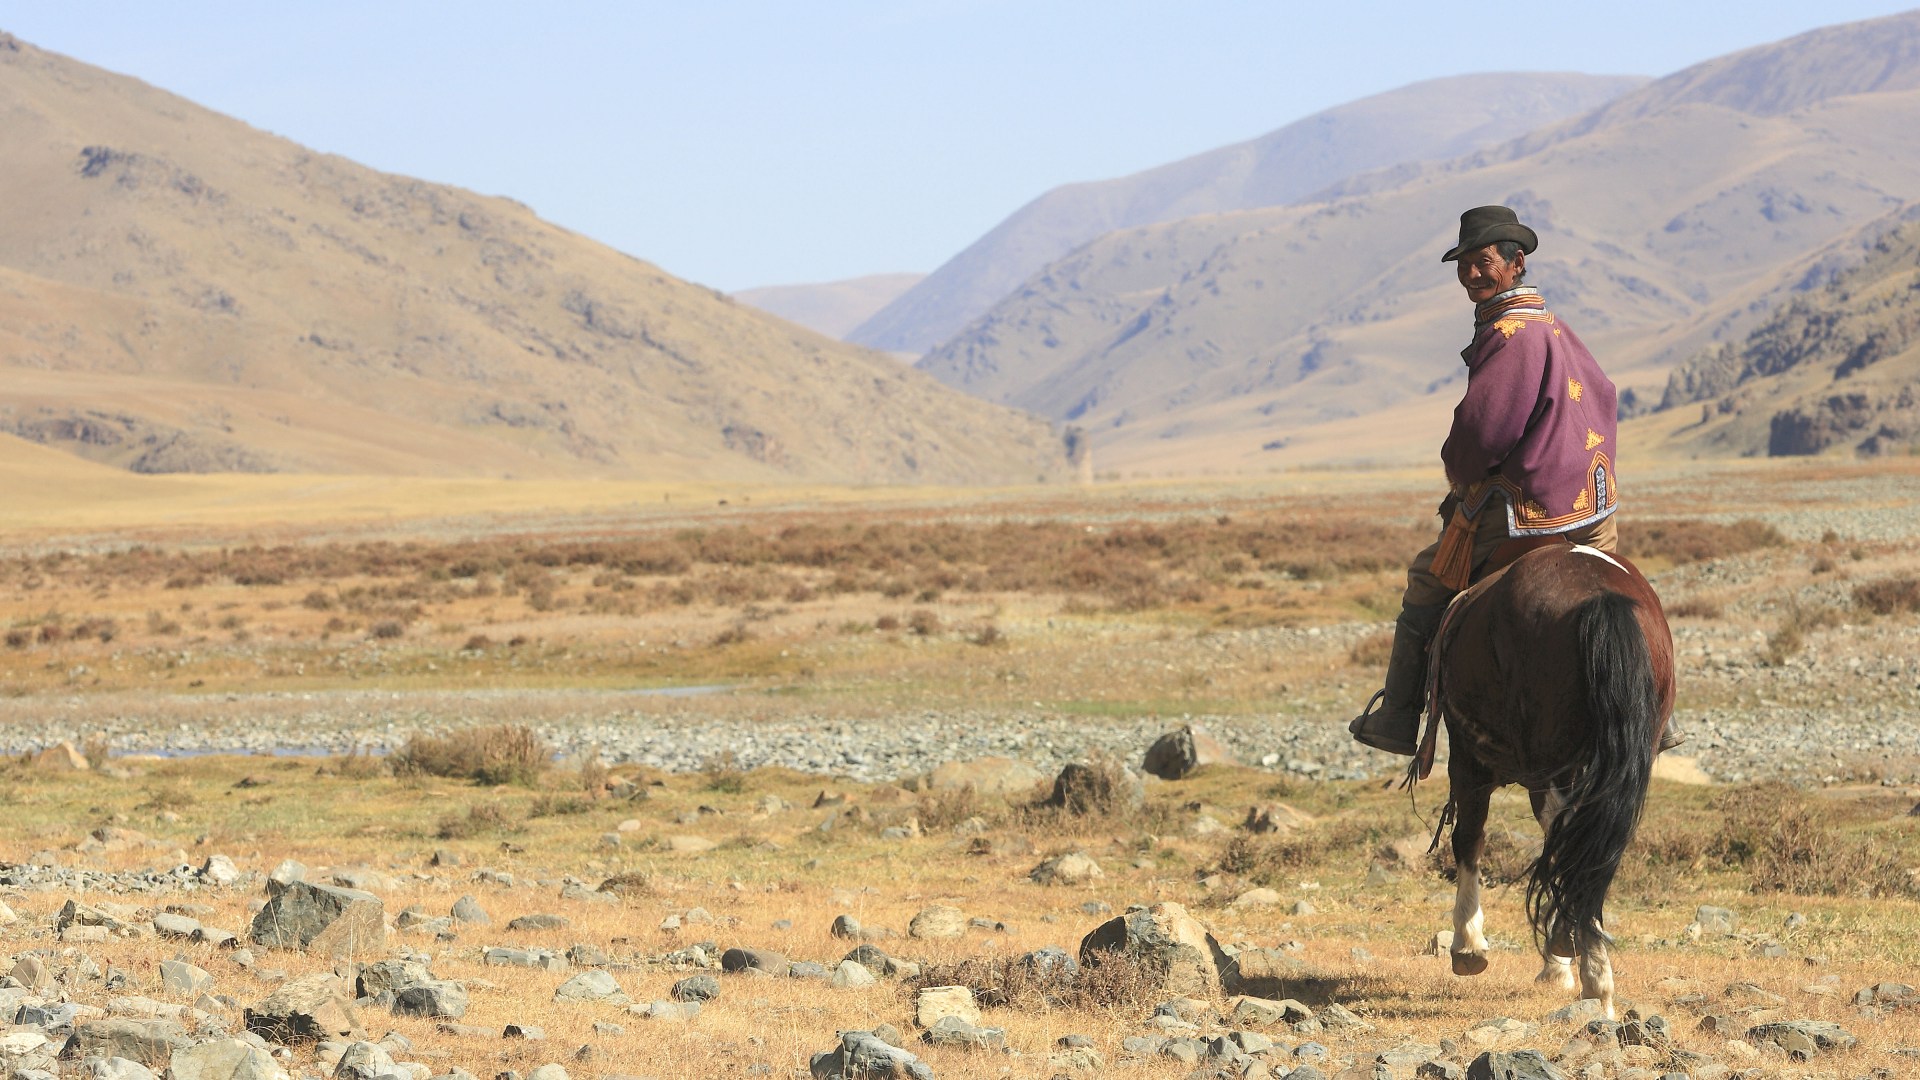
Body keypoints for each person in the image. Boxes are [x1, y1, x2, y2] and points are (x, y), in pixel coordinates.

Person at [1348, 205, 1684, 757]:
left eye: (1482, 263)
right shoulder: (1554, 326)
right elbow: (1602, 394)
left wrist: (1458, 468)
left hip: (1528, 514)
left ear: (1515, 262)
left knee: (1425, 585)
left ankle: (1399, 717)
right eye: (1464, 267)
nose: (1471, 276)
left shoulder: (1509, 334)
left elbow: (1483, 431)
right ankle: (1658, 715)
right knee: (1623, 594)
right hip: (1591, 510)